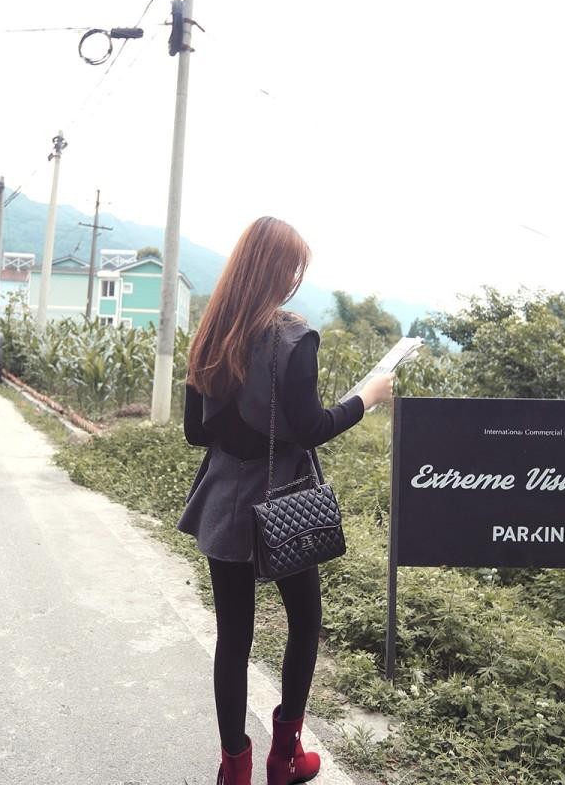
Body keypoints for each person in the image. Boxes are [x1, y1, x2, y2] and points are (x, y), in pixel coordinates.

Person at [178, 217, 394, 785]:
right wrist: (367, 397)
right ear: (278, 272)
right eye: (294, 269)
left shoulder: (210, 332)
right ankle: (286, 757)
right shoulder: (293, 339)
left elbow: (196, 433)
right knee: (304, 619)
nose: (296, 279)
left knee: (233, 638)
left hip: (224, 502)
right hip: (283, 503)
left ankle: (235, 770)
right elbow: (311, 427)